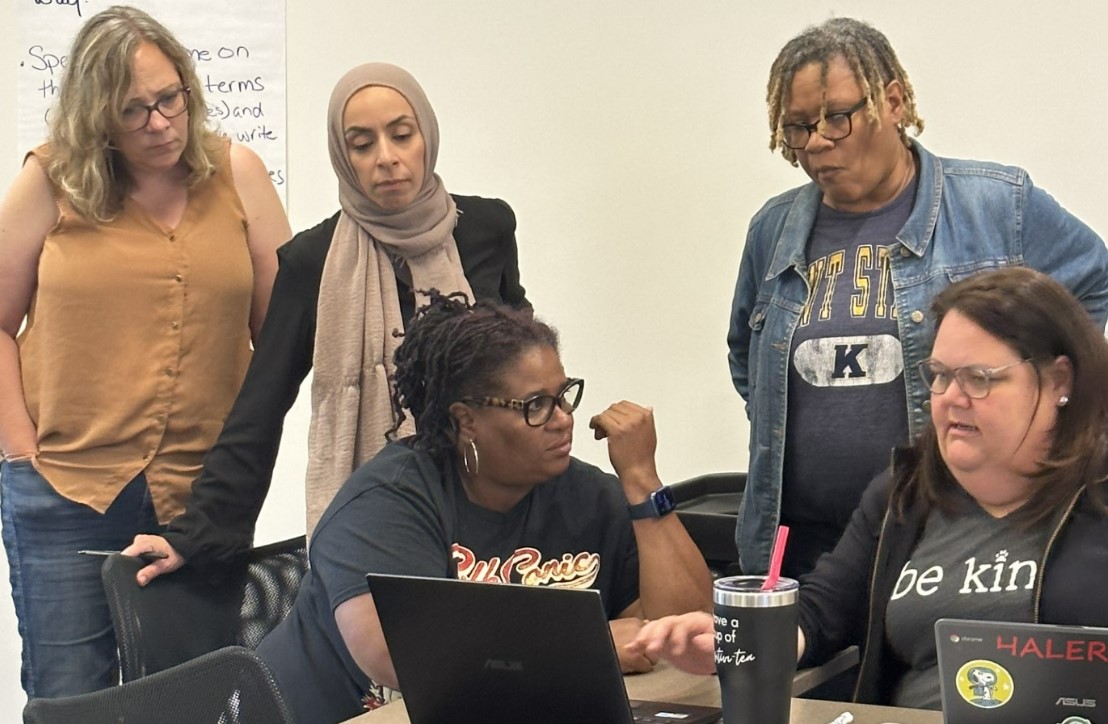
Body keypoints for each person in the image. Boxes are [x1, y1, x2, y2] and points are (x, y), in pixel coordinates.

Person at [729, 17, 1108, 579]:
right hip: (800, 548)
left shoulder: (996, 207)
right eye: (798, 128)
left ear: (893, 102)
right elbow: (747, 359)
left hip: (946, 537)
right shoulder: (773, 230)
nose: (817, 143)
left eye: (836, 118)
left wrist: (1051, 408)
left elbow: (1093, 287)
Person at [124, 63, 529, 579]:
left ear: (426, 136)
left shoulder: (486, 230)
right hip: (378, 520)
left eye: (401, 135)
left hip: (495, 510)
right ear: (343, 157)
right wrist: (196, 534)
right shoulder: (311, 263)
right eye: (362, 144)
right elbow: (260, 407)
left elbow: (525, 366)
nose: (386, 157)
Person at [641, 267, 1108, 709]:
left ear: (1058, 381)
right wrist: (738, 643)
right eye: (941, 375)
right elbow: (821, 614)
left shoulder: (1098, 492)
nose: (951, 398)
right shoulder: (903, 494)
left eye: (979, 379)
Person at [0, 6, 291, 698]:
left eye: (169, 100)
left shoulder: (238, 174)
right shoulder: (51, 179)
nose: (160, 124)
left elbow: (283, 338)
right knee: (73, 696)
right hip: (65, 487)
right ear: (96, 116)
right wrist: (19, 447)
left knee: (191, 698)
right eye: (133, 111)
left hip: (200, 497)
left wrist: (243, 467)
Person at [253, 293, 713, 723]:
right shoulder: (385, 504)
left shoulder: (589, 496)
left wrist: (642, 481)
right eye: (536, 405)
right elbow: (401, 656)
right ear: (467, 420)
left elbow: (691, 636)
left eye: (564, 396)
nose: (563, 419)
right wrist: (589, 646)